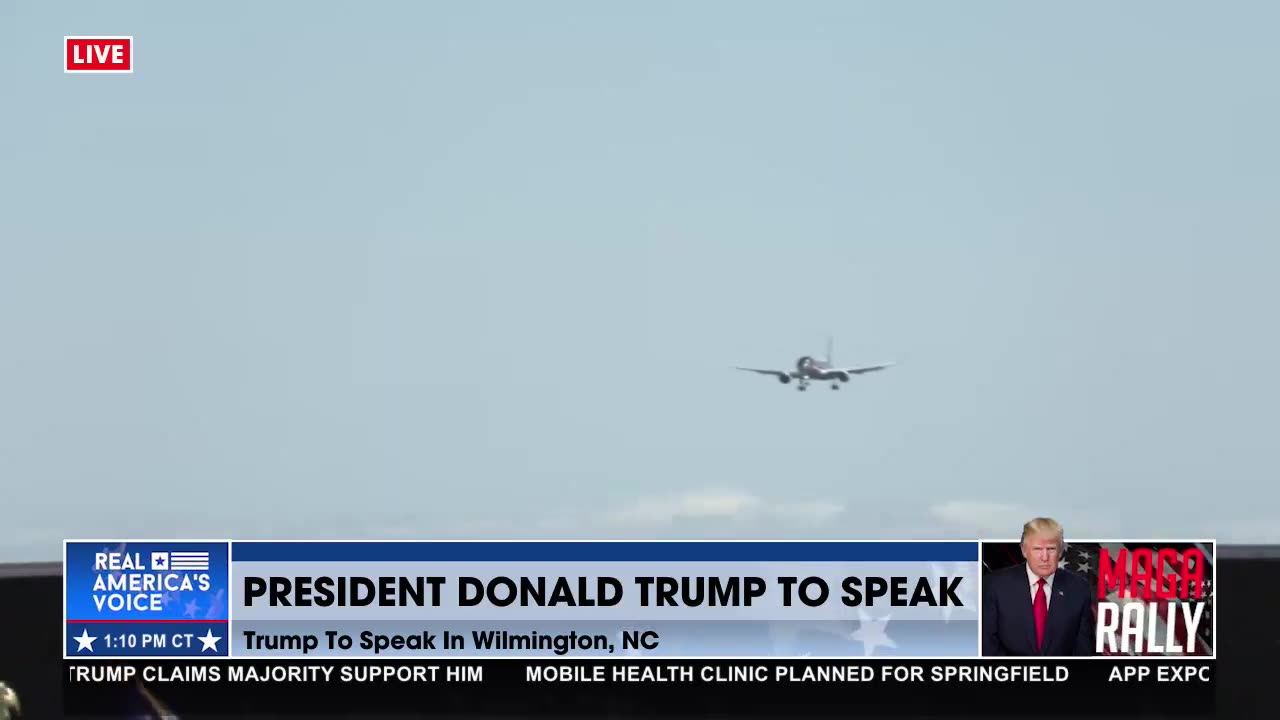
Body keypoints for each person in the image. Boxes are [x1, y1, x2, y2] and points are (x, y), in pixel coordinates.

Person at [981, 517, 1095, 656]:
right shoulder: (994, 585)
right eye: (1037, 549)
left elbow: (1083, 649)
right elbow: (987, 644)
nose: (1045, 557)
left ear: (1060, 551)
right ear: (1024, 550)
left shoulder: (1078, 588)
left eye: (1051, 549)